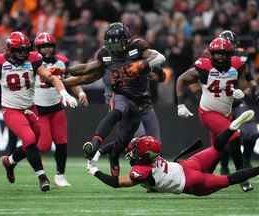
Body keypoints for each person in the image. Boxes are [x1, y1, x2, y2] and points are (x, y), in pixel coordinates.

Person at [0, 31, 78, 191]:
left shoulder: (34, 60)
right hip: (11, 110)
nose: (23, 54)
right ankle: (42, 176)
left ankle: (10, 161)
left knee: (35, 141)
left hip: (30, 108)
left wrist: (64, 93)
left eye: (25, 50)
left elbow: (51, 78)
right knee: (29, 139)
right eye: (19, 50)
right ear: (10, 50)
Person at [64, 22, 166, 176]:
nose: (114, 48)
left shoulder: (136, 48)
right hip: (121, 97)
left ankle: (137, 170)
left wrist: (141, 66)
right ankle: (97, 144)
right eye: (111, 44)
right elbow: (85, 71)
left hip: (143, 103)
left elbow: (159, 58)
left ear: (126, 40)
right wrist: (63, 74)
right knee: (136, 137)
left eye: (117, 44)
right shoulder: (105, 55)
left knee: (155, 145)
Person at [86, 110, 259, 196]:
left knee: (228, 179)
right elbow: (121, 147)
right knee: (216, 148)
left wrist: (95, 171)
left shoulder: (141, 170)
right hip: (187, 165)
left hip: (190, 182)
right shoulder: (150, 154)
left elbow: (116, 183)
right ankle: (230, 129)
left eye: (135, 150)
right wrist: (100, 152)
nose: (131, 152)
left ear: (144, 156)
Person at [176, 37, 256, 192]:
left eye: (222, 53)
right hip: (208, 112)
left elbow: (249, 79)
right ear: (211, 54)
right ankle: (243, 179)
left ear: (229, 54)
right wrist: (180, 104)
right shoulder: (204, 66)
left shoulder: (237, 64)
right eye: (216, 53)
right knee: (234, 135)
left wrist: (245, 91)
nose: (219, 57)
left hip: (225, 113)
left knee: (216, 150)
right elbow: (181, 79)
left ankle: (203, 179)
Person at [34, 32, 88, 187]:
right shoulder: (32, 62)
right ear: (37, 48)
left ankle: (60, 175)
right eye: (43, 46)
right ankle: (18, 159)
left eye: (49, 46)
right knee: (43, 145)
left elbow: (71, 81)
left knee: (61, 142)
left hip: (57, 107)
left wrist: (81, 92)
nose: (47, 49)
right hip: (39, 109)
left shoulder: (62, 62)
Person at [218, 30, 259, 192]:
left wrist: (251, 88)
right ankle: (224, 166)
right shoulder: (210, 58)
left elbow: (247, 76)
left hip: (237, 100)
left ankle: (246, 160)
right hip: (220, 103)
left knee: (251, 132)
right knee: (226, 138)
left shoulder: (239, 58)